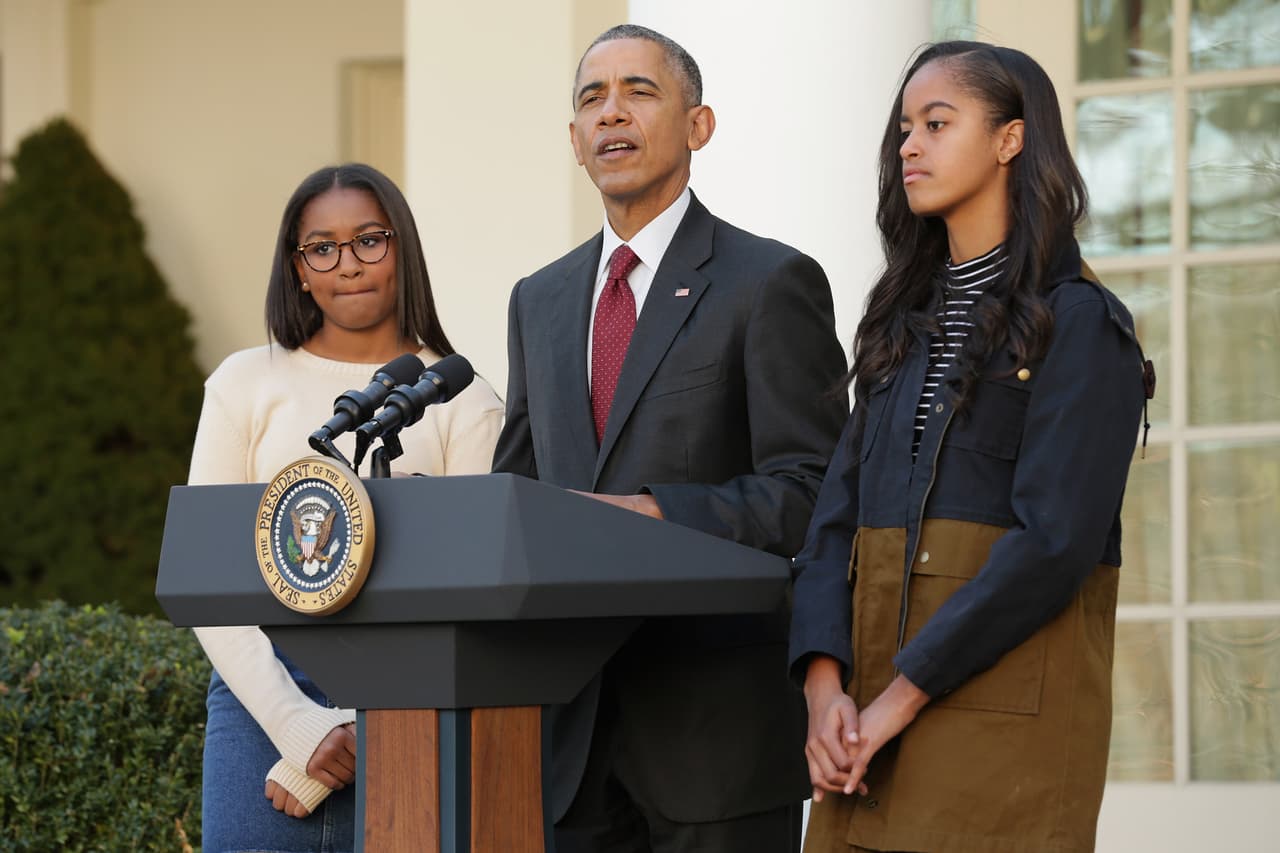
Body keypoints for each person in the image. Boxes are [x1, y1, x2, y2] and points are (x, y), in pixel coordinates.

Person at [492, 24, 848, 853]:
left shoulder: (770, 282)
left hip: (715, 738)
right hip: (569, 747)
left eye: (639, 92)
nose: (611, 113)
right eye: (592, 98)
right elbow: (522, 494)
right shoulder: (537, 300)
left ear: (699, 125)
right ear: (575, 140)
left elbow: (815, 491)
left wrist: (652, 513)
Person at [790, 41, 1152, 853]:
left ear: (1010, 138)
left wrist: (895, 701)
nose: (908, 146)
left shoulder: (1081, 324)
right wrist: (823, 690)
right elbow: (832, 525)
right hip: (862, 739)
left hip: (998, 740)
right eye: (904, 129)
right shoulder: (899, 324)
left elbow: (1054, 543)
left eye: (937, 123)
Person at [188, 163, 503, 853]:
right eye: (322, 248)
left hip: (416, 703)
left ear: (402, 249)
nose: (348, 264)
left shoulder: (463, 400)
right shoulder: (244, 384)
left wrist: (363, 729)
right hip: (261, 695)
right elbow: (208, 582)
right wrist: (297, 726)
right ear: (298, 269)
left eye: (369, 240)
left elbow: (471, 596)